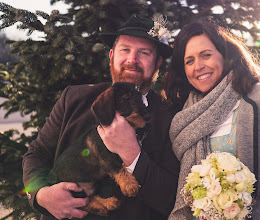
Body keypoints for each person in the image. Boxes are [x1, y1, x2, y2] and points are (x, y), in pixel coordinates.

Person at [22, 14, 180, 220]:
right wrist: (41, 194)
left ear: (157, 63)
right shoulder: (73, 98)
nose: (132, 59)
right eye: (125, 50)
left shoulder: (171, 117)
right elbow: (36, 153)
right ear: (112, 55)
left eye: (144, 52)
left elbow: (172, 199)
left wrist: (132, 154)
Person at [164, 21, 260, 220]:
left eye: (206, 55)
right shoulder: (185, 118)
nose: (199, 66)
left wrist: (247, 216)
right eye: (189, 61)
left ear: (225, 55)